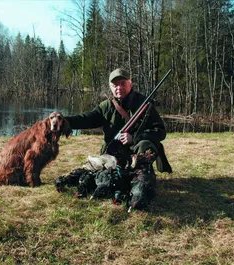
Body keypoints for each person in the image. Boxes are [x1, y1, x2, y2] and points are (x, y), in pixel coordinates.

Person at [65, 68, 172, 207]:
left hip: (136, 153)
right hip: (113, 153)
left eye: (123, 83)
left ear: (130, 84)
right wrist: (64, 121)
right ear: (110, 87)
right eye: (115, 85)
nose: (119, 88)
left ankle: (141, 179)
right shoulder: (106, 107)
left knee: (145, 144)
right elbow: (85, 119)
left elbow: (160, 131)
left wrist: (134, 138)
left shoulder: (144, 103)